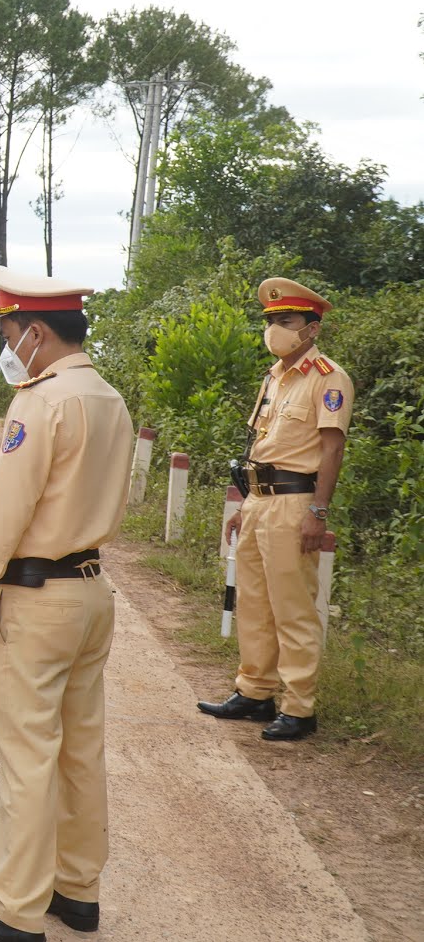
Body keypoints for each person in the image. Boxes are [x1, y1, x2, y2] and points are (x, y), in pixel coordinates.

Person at [0, 267, 134, 941]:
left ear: (36, 332)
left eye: (9, 333)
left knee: (26, 756)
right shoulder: (106, 397)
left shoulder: (38, 400)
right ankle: (76, 890)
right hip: (89, 592)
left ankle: (13, 912)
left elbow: (17, 505)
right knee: (79, 748)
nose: (8, 346)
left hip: (37, 601)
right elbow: (61, 493)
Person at [198, 277, 354, 742]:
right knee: (254, 604)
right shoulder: (273, 378)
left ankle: (299, 706)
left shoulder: (328, 378)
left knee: (292, 607)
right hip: (261, 500)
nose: (275, 330)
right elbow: (263, 445)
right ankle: (255, 692)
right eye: (271, 321)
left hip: (294, 503)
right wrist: (246, 502)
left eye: (285, 321)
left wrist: (318, 512)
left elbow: (331, 451)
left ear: (311, 329)